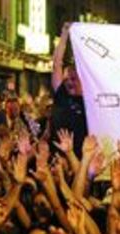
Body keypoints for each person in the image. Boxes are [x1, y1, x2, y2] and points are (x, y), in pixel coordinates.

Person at [50, 22, 87, 157]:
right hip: (59, 157)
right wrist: (65, 33)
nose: (69, 83)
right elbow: (56, 63)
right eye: (66, 80)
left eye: (73, 79)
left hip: (82, 160)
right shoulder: (62, 96)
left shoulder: (91, 100)